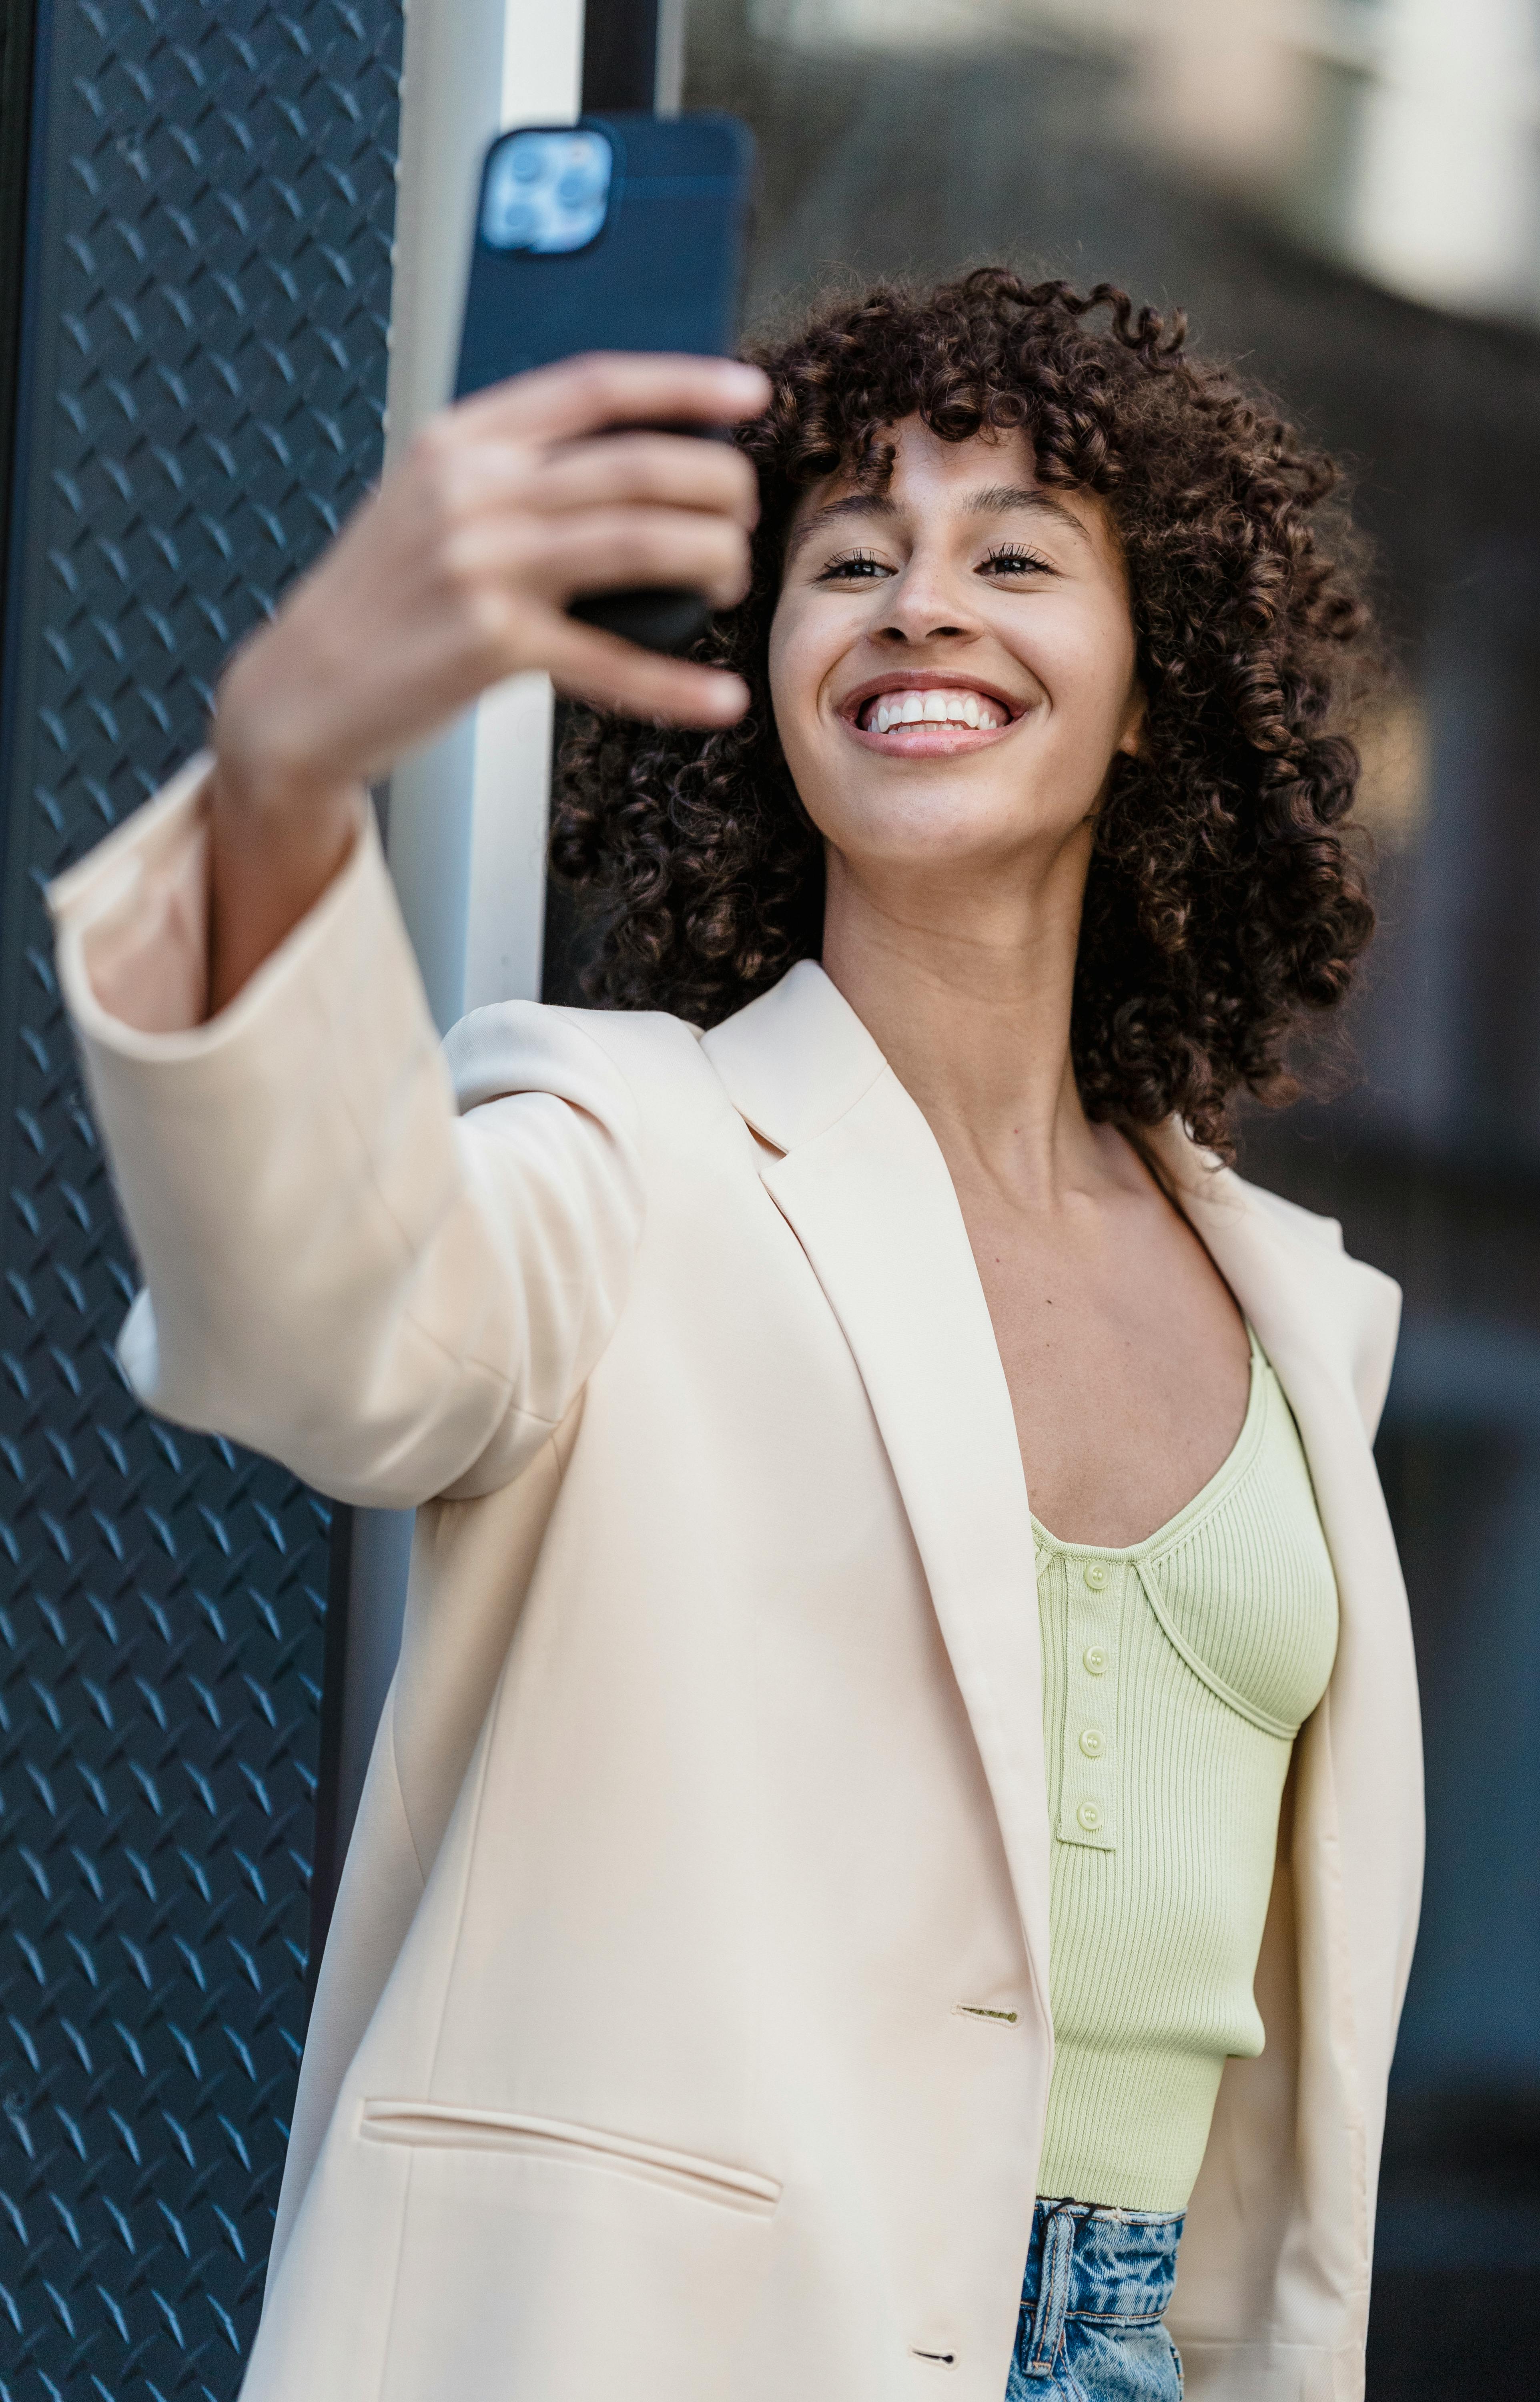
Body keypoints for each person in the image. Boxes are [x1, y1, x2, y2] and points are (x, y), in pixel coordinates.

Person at [50, 270, 1422, 2402]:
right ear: (764, 668)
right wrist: (284, 767)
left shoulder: (1298, 1311)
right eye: (849, 559)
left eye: (1016, 556)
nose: (919, 604)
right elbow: (319, 1334)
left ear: (1156, 692)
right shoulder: (621, 1152)